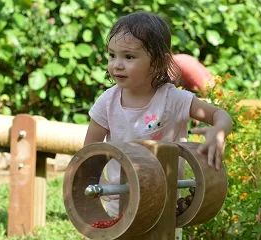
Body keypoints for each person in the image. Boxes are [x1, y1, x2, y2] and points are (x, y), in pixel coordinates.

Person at [84, 11, 232, 219]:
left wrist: (219, 131)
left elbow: (221, 115)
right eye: (112, 55)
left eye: (128, 56)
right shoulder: (107, 102)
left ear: (158, 62)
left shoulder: (174, 100)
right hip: (119, 202)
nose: (117, 64)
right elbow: (89, 153)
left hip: (164, 202)